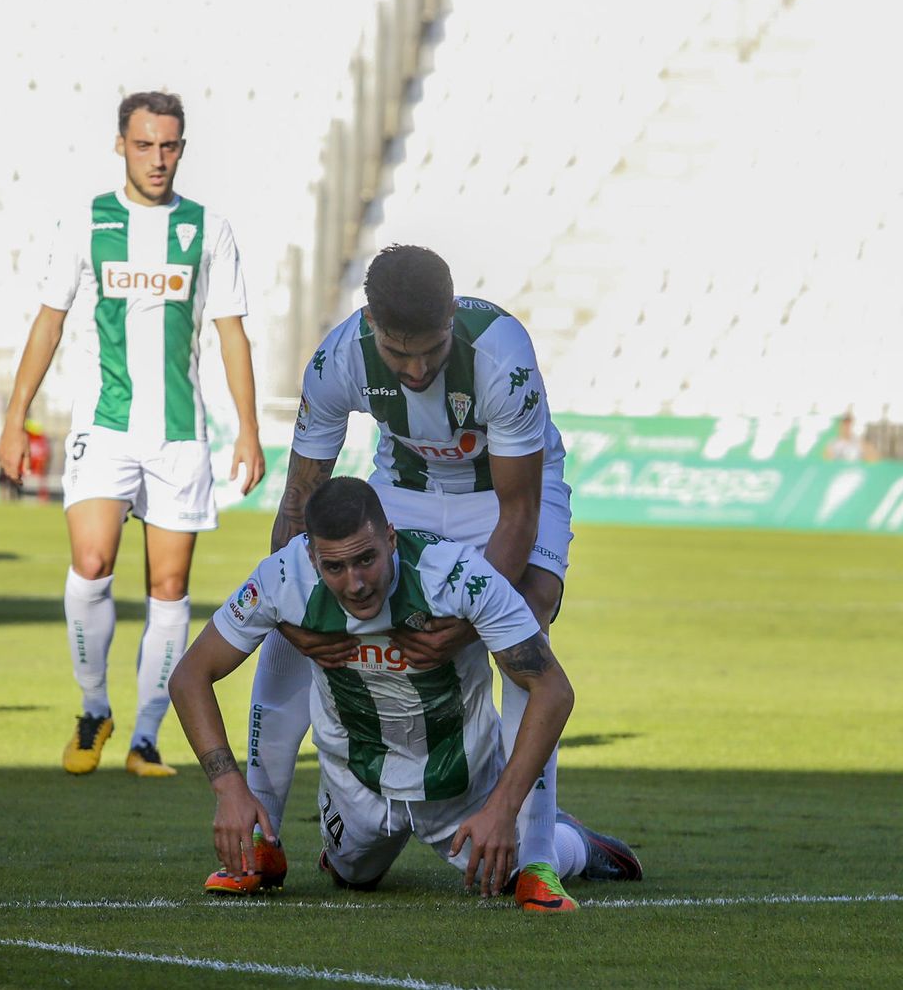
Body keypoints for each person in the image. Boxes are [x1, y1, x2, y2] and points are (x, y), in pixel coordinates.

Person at [226, 243, 639, 908]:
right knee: (289, 622)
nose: (415, 371)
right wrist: (294, 612)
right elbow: (301, 503)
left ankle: (539, 858)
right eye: (399, 354)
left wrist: (461, 627)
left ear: (452, 315)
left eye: (431, 350)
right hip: (404, 490)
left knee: (524, 621)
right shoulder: (340, 360)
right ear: (371, 325)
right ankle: (261, 841)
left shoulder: (502, 359)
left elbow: (519, 513)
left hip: (502, 497)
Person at [170, 477, 623, 911]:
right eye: (335, 567)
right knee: (352, 878)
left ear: (390, 537)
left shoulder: (456, 575)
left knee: (505, 877)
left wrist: (504, 809)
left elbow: (553, 689)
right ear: (311, 557)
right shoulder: (282, 578)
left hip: (457, 783)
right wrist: (229, 787)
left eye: (366, 559)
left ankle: (575, 842)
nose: (355, 583)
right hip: (357, 783)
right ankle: (336, 851)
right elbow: (190, 675)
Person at [0, 91, 265, 780]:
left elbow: (230, 332)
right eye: (144, 145)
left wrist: (248, 431)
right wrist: (14, 414)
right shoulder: (88, 222)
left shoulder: (207, 229)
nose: (158, 158)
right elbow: (49, 321)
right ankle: (94, 708)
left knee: (169, 586)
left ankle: (146, 736)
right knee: (91, 563)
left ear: (183, 148)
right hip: (104, 425)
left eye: (169, 146)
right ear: (121, 144)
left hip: (180, 435)